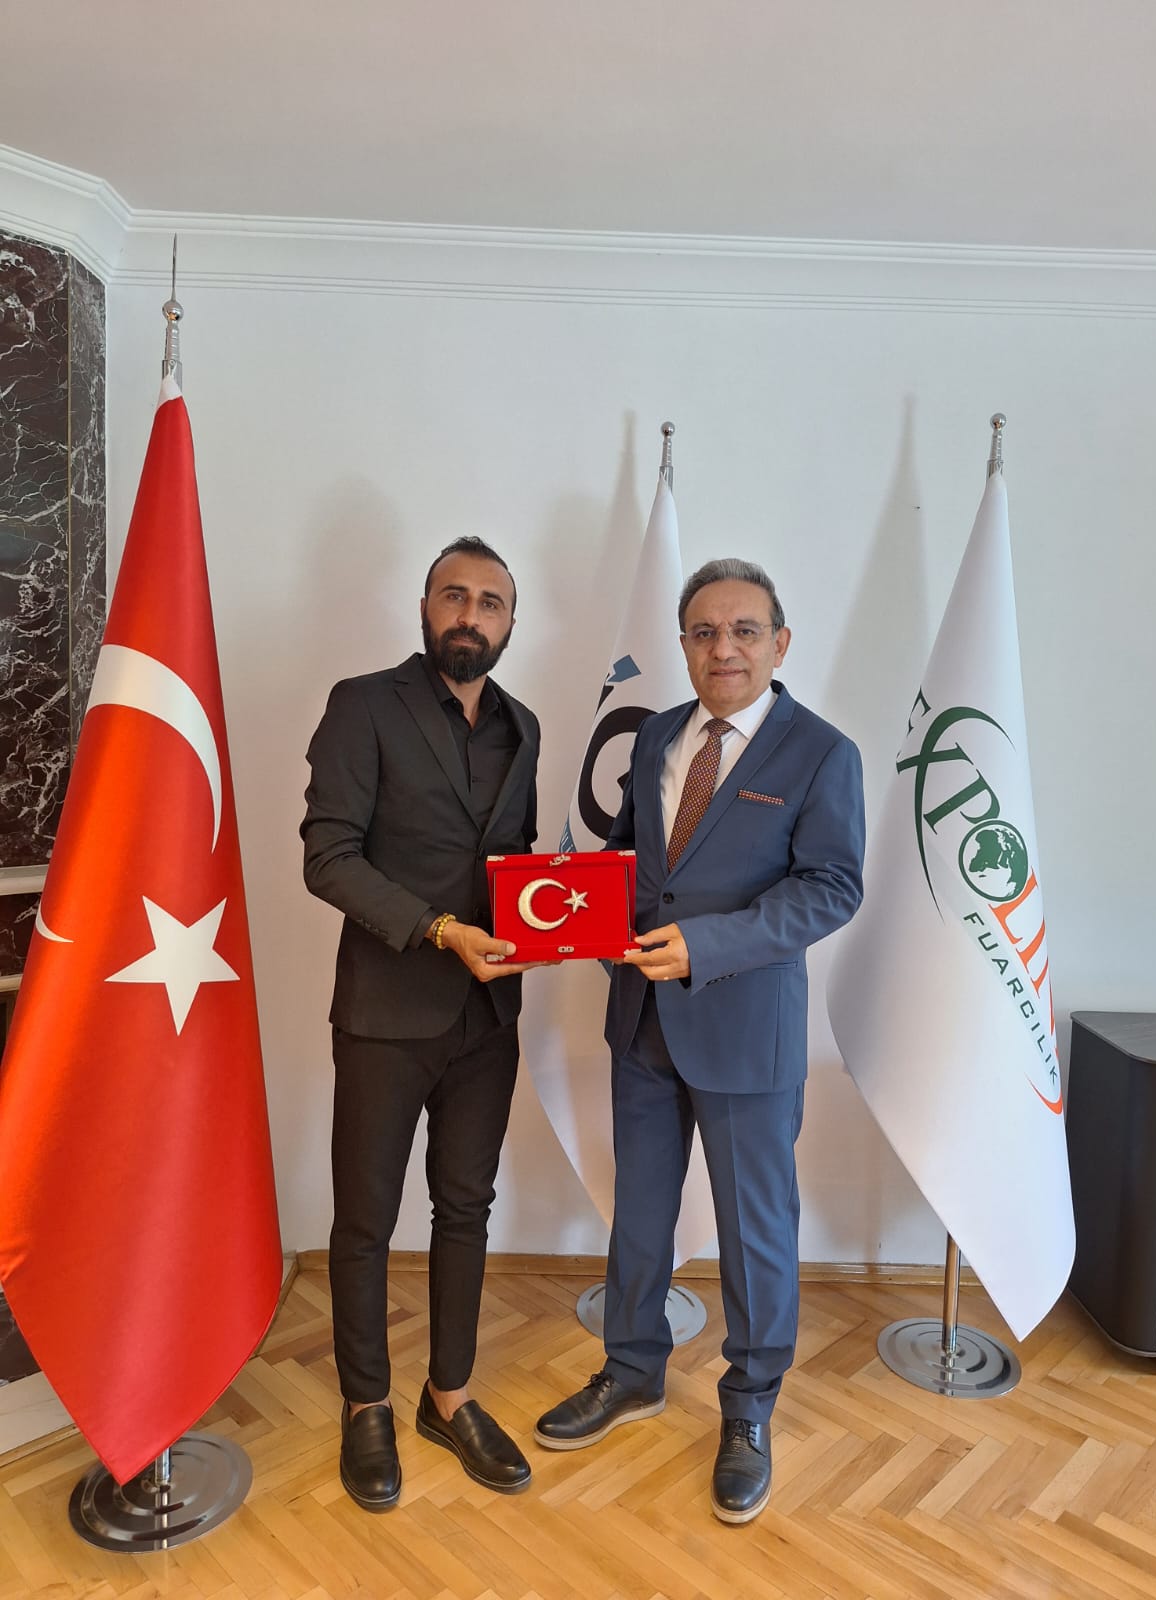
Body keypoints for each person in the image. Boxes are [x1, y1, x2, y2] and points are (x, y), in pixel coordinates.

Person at [535, 557, 865, 1525]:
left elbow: (831, 888)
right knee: (639, 1211)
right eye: (705, 632)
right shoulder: (656, 738)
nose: (725, 648)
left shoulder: (823, 752)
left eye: (745, 630)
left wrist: (707, 946)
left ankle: (749, 1405)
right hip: (641, 1022)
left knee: (754, 1230)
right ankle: (631, 1368)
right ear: (683, 644)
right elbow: (632, 864)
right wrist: (561, 911)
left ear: (780, 643)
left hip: (746, 1031)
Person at [302, 536, 542, 1511]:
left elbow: (518, 860)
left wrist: (550, 923)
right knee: (365, 1219)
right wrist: (441, 930)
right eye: (455, 595)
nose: (470, 614)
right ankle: (367, 1404)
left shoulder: (524, 725)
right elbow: (329, 856)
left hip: (489, 1018)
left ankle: (449, 1397)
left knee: (466, 1208)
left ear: (511, 623)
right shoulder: (363, 705)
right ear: (425, 606)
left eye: (490, 601)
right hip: (386, 1012)